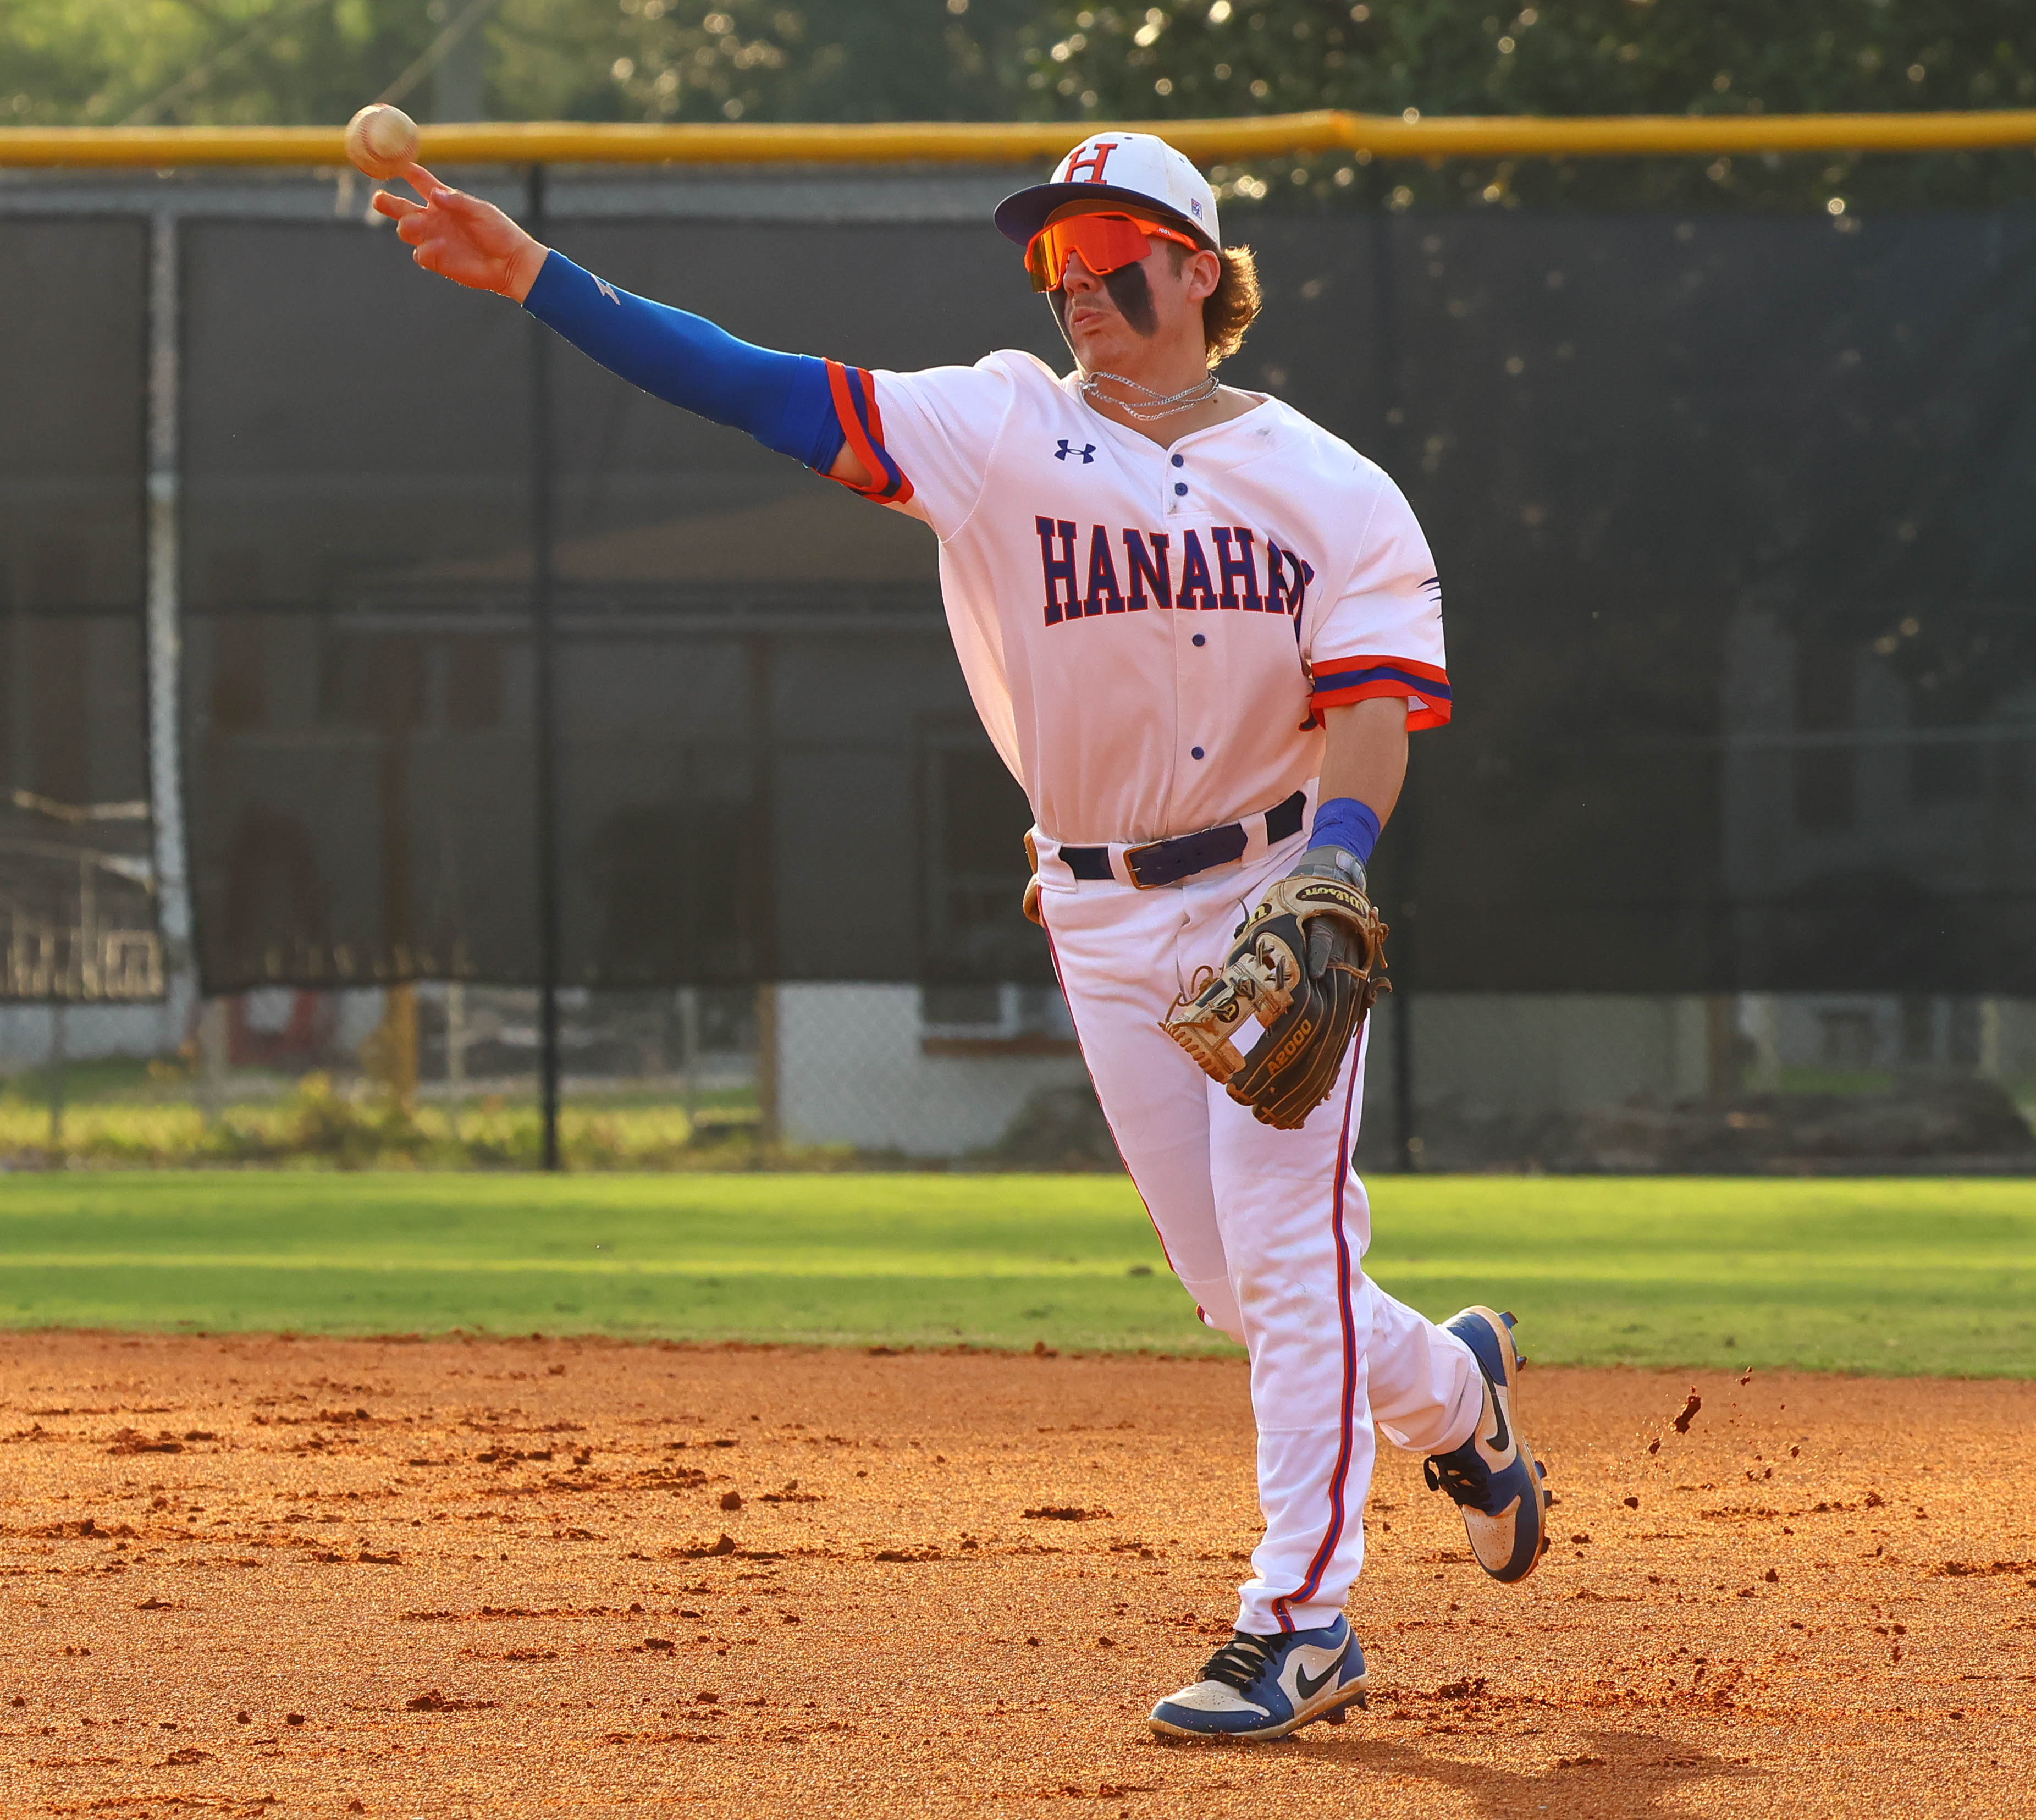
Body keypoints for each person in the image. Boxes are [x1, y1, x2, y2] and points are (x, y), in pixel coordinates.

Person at [372, 130, 1549, 1743]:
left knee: (1290, 1259)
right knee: (1235, 1286)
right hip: (1095, 907)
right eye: (1051, 258)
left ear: (1200, 268)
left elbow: (1373, 713)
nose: (1075, 283)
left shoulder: (1335, 489)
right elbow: (755, 385)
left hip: (1273, 899)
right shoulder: (999, 428)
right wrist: (534, 278)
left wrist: (1333, 866)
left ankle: (1302, 1621)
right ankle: (1458, 1396)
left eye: (1109, 249)